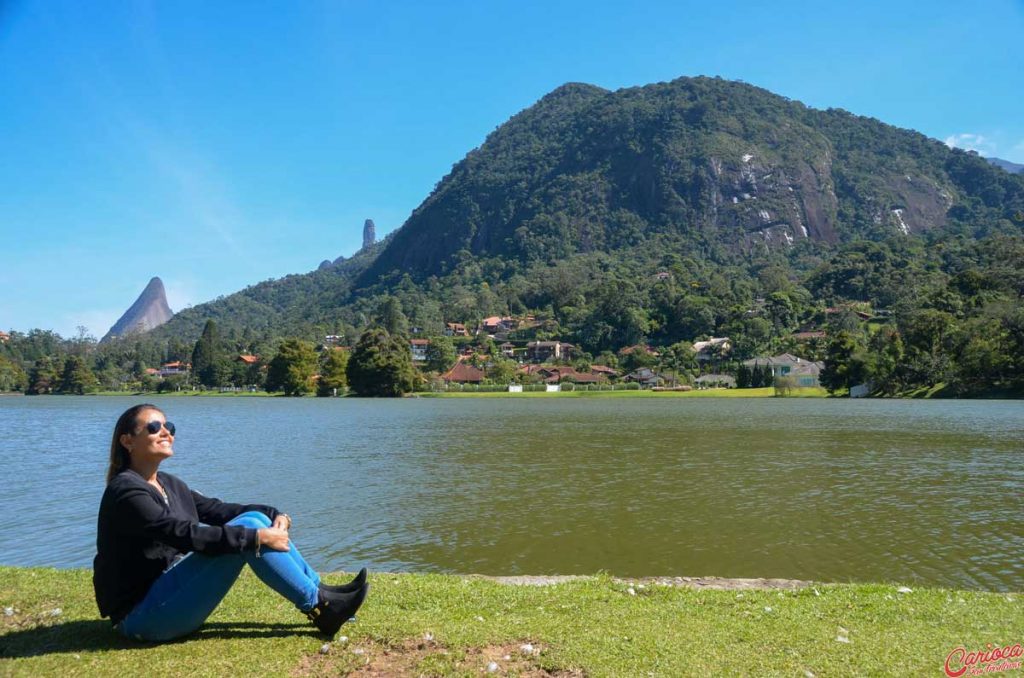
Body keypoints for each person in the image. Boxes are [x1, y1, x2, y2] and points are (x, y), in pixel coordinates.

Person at [93, 403, 368, 642]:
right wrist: (257, 539)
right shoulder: (126, 492)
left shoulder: (169, 484)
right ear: (127, 441)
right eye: (154, 427)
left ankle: (321, 593)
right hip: (143, 617)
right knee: (251, 530)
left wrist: (275, 515)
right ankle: (321, 607)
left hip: (170, 597)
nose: (167, 432)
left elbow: (219, 510)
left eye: (170, 426)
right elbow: (182, 534)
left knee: (255, 520)